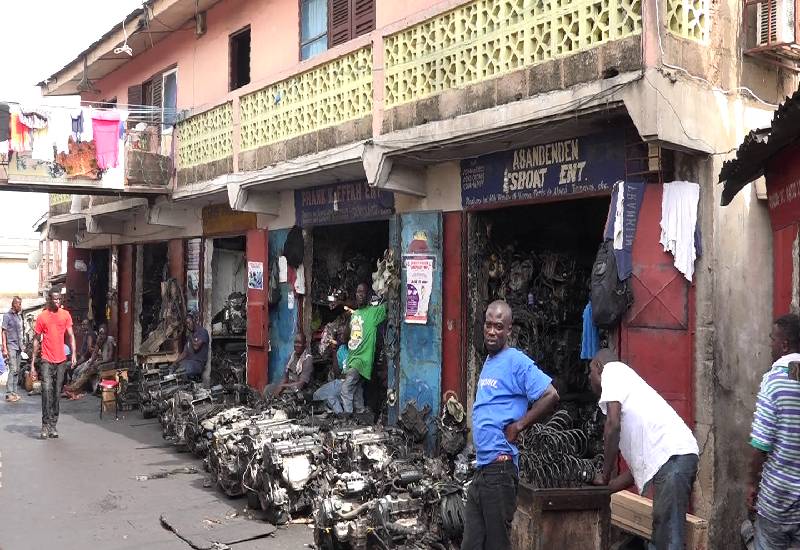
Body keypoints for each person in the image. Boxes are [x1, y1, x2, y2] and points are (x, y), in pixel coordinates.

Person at [462, 300, 559, 550]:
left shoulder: (516, 360)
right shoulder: (489, 361)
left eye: (499, 326)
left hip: (500, 469)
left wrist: (519, 426)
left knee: (496, 544)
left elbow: (551, 395)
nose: (492, 331)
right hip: (483, 468)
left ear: (509, 330)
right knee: (471, 542)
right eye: (489, 325)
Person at [589, 348, 699, 550]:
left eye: (590, 372)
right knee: (663, 535)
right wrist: (608, 489)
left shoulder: (613, 371)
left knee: (667, 540)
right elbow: (640, 468)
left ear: (598, 366)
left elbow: (612, 425)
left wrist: (604, 476)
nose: (589, 379)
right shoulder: (631, 395)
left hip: (675, 457)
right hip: (675, 457)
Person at [748, 314, 800, 549]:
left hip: (778, 496)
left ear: (784, 345)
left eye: (772, 339)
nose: (770, 344)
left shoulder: (775, 380)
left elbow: (761, 444)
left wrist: (752, 484)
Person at [31, 290, 77, 439]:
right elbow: (37, 340)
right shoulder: (42, 317)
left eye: (59, 299)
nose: (58, 302)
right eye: (55, 299)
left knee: (56, 393)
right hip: (46, 359)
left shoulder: (65, 315)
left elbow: (71, 335)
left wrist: (74, 354)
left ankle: (53, 425)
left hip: (61, 361)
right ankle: (45, 425)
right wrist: (32, 363)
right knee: (46, 390)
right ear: (49, 299)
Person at [340, 283, 386, 415]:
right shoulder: (354, 314)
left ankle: (347, 417)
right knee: (357, 389)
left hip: (361, 360)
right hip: (352, 358)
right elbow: (348, 337)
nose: (360, 295)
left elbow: (388, 306)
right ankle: (360, 415)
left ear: (368, 296)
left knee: (346, 389)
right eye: (358, 292)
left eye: (363, 293)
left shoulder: (373, 313)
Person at [64, 324, 116, 397]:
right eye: (100, 334)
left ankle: (74, 388)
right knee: (85, 369)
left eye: (103, 334)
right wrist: (90, 363)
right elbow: (94, 354)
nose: (102, 336)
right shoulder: (100, 339)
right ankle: (75, 390)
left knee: (88, 371)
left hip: (108, 364)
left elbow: (109, 358)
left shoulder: (110, 340)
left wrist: (98, 362)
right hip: (101, 363)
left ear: (106, 334)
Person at [313, 325, 351, 413]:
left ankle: (341, 415)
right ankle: (338, 414)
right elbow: (337, 373)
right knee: (317, 394)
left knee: (328, 396)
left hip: (349, 382)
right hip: (341, 381)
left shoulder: (356, 350)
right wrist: (334, 352)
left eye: (342, 334)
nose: (340, 337)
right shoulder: (341, 350)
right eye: (339, 335)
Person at [265, 333, 314, 397]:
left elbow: (300, 385)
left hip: (299, 389)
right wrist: (279, 386)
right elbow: (285, 378)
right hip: (289, 386)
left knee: (284, 394)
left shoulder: (307, 359)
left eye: (299, 343)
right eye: (295, 342)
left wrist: (282, 386)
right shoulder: (291, 357)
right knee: (268, 388)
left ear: (305, 345)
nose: (296, 345)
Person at [170, 312, 210, 382]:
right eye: (187, 324)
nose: (188, 325)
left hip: (198, 364)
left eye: (189, 322)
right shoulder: (190, 336)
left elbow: (196, 347)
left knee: (182, 370)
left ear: (194, 320)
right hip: (188, 362)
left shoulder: (203, 332)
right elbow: (184, 353)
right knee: (173, 368)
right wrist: (174, 362)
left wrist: (191, 336)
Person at [2, 296, 23, 403]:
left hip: (19, 346)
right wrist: (4, 348)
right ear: (14, 304)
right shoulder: (7, 316)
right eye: (19, 304)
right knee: (13, 369)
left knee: (17, 370)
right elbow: (3, 332)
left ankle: (14, 392)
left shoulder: (19, 317)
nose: (20, 306)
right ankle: (9, 393)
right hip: (11, 346)